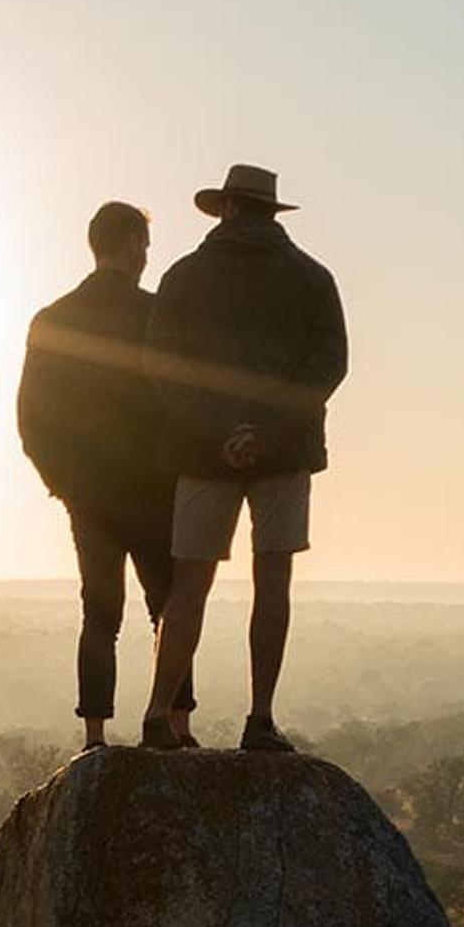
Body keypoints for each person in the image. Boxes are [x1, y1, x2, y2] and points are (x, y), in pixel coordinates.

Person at [142, 163, 347, 753]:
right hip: (285, 452)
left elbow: (163, 366)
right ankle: (260, 717)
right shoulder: (312, 278)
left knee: (189, 585)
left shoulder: (185, 276)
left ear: (227, 208)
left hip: (202, 452)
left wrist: (218, 433)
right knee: (273, 579)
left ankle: (158, 714)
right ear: (270, 212)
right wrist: (268, 432)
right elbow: (328, 366)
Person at [15, 201, 193, 750]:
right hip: (154, 485)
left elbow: (31, 417)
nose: (145, 256)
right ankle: (173, 724)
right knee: (169, 605)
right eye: (144, 245)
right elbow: (180, 398)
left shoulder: (53, 319)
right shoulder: (156, 314)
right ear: (133, 245)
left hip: (89, 492)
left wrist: (63, 483)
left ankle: (95, 735)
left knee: (100, 612)